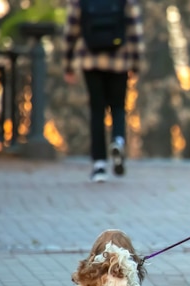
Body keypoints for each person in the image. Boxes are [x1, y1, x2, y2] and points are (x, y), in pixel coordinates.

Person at [63, 0, 145, 182]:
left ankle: (99, 165)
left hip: (90, 62)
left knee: (96, 111)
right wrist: (136, 65)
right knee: (118, 107)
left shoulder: (80, 2)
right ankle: (118, 140)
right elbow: (135, 33)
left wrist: (68, 65)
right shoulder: (126, 2)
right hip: (120, 62)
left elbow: (71, 32)